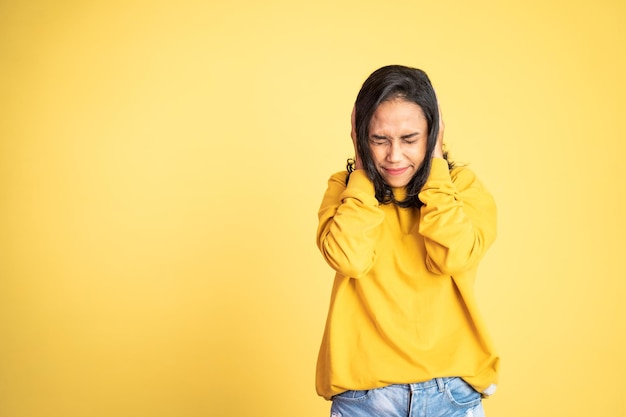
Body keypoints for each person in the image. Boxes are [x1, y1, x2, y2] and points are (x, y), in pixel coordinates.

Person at [315, 65, 499, 417]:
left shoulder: (461, 188)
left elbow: (453, 256)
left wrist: (436, 166)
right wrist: (364, 173)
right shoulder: (345, 190)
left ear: (433, 134)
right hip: (364, 401)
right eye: (378, 139)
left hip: (451, 395)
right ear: (359, 136)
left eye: (410, 140)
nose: (394, 156)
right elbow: (348, 258)